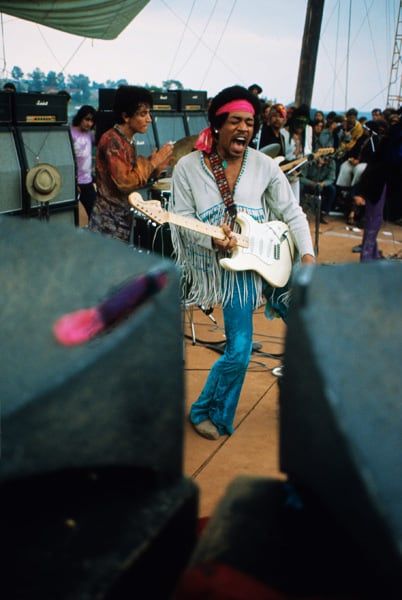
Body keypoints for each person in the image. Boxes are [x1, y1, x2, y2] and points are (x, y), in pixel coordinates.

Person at [170, 85, 315, 440]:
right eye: (235, 121)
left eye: (249, 122)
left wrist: (308, 254)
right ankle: (206, 410)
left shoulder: (264, 165)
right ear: (218, 124)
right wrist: (211, 238)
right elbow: (182, 221)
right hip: (232, 270)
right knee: (238, 352)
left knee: (315, 328)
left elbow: (291, 212)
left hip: (275, 258)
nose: (244, 129)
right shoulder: (188, 168)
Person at [89, 85, 173, 242]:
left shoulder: (126, 141)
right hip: (107, 224)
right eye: (143, 114)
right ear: (126, 116)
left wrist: (155, 169)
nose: (149, 119)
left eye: (149, 113)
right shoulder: (112, 140)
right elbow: (125, 182)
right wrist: (154, 161)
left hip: (120, 220)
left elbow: (133, 177)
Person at [70, 105, 97, 218]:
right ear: (80, 118)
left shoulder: (90, 134)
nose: (89, 124)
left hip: (88, 181)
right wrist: (73, 182)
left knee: (92, 214)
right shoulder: (70, 132)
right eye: (87, 119)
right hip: (75, 183)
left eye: (92, 121)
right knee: (75, 216)